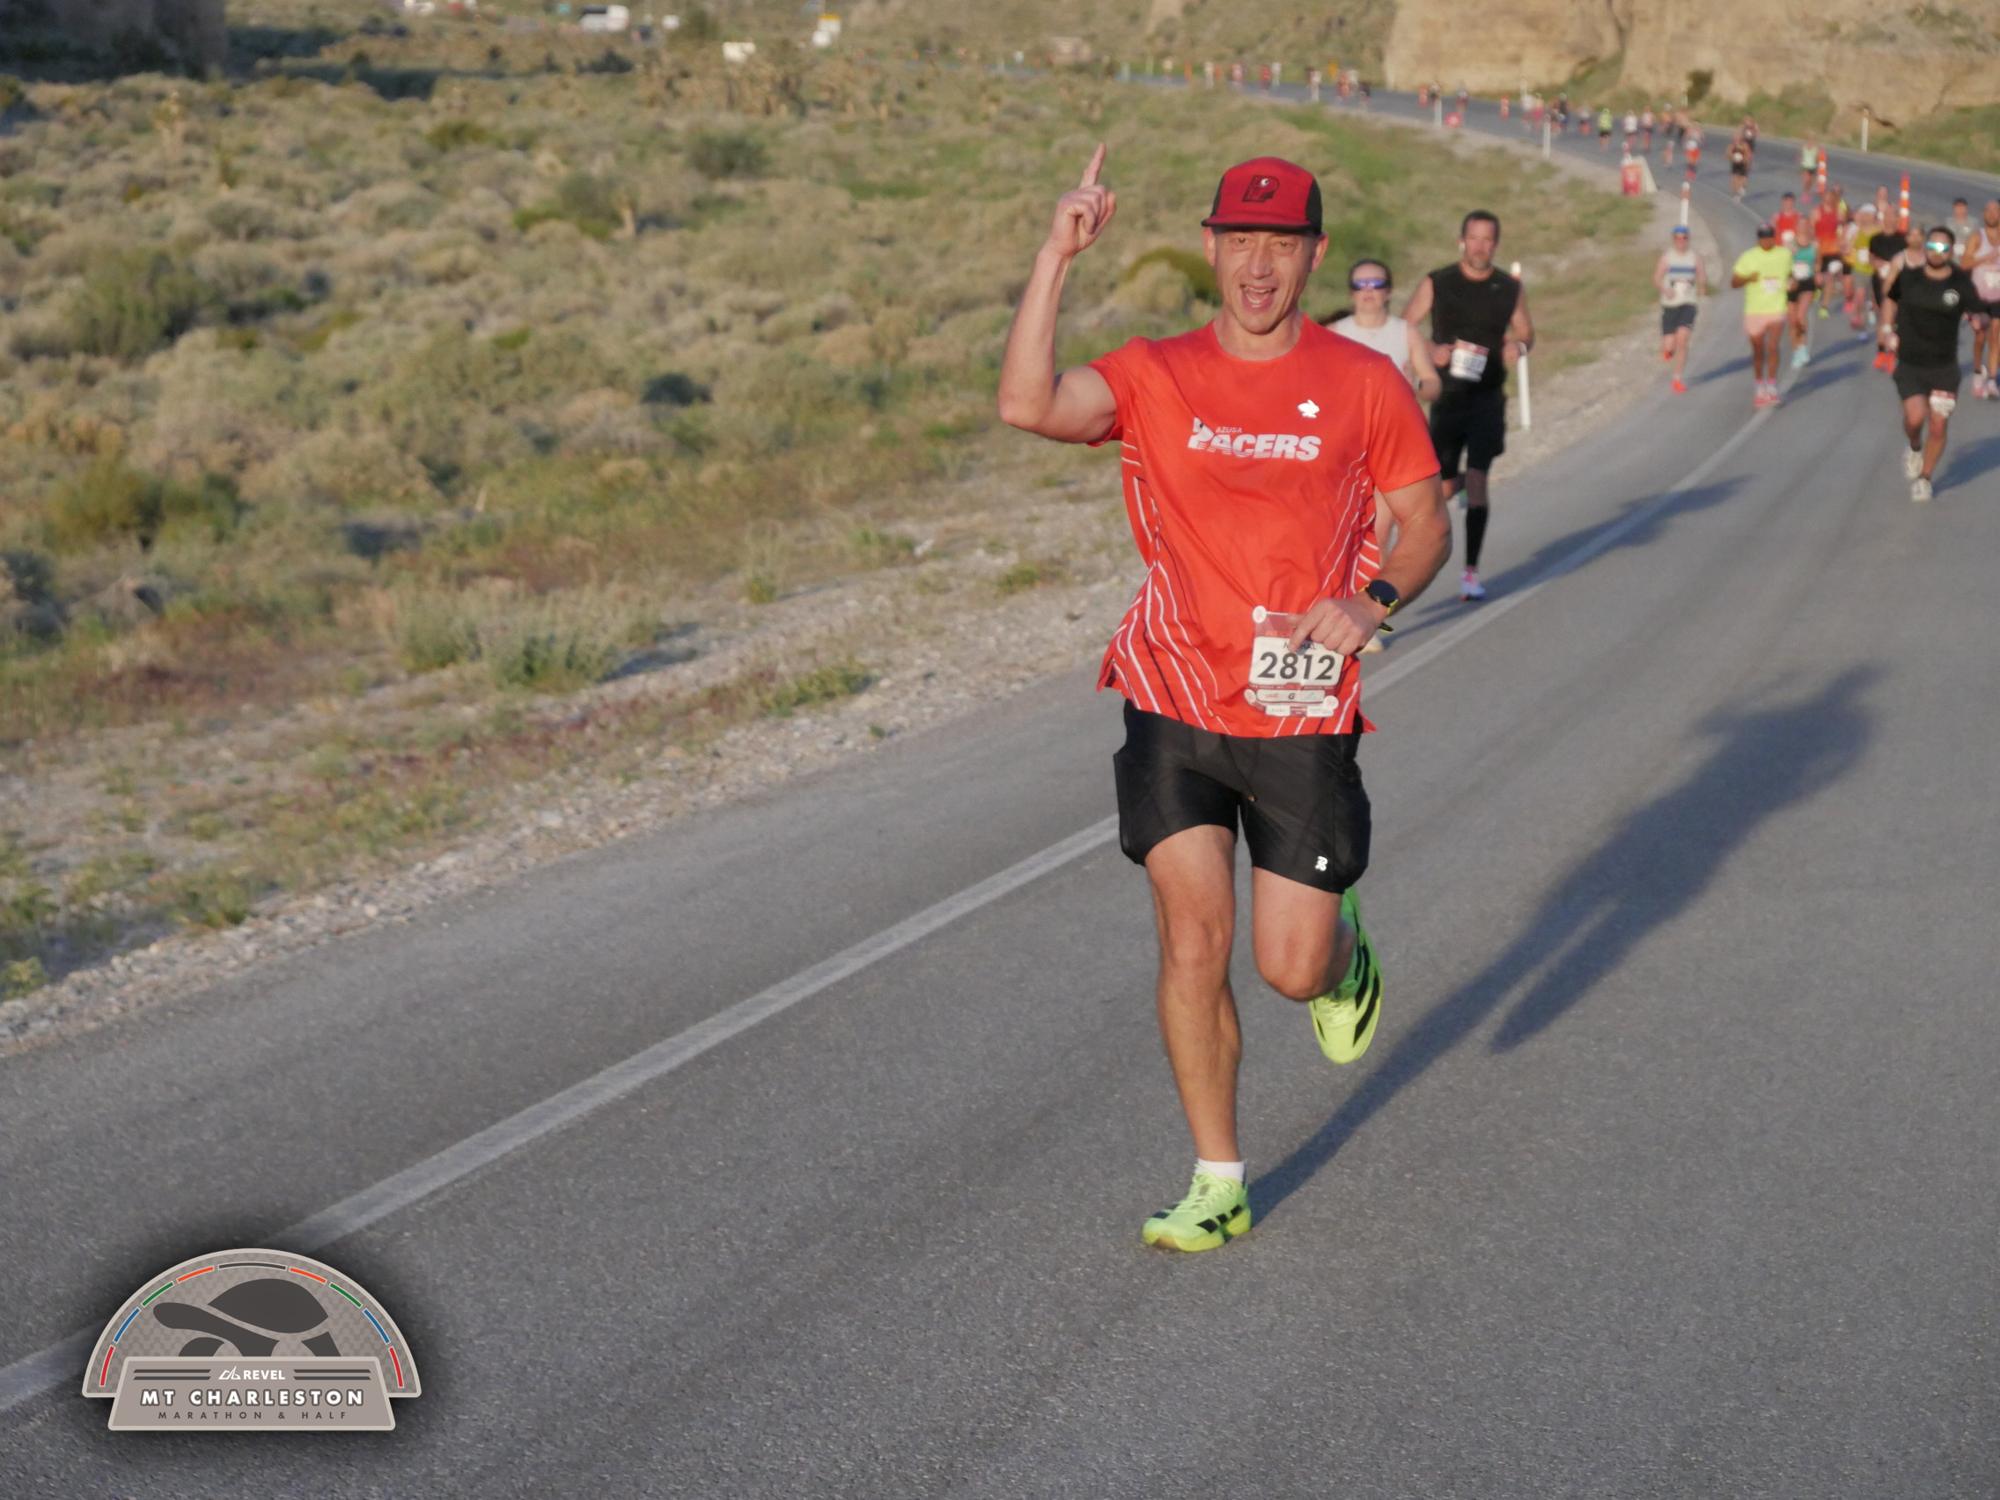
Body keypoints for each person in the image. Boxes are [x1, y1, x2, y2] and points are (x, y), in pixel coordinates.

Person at [997, 148, 1450, 1253]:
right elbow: (1026, 404)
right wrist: (1055, 255)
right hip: (1170, 692)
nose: (1257, 266)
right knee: (1192, 942)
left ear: (1314, 255)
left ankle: (1341, 954)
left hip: (1296, 707)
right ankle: (1217, 1179)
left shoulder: (1362, 382)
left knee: (1286, 967)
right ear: (1209, 247)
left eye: (1279, 245)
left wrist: (1372, 599)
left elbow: (1425, 521)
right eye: (1239, 241)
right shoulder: (1154, 371)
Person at [1402, 210, 1533, 602]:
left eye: (1487, 240)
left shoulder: (1508, 287)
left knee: (1479, 480)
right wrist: (1431, 350)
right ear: (1461, 241)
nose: (1480, 247)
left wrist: (1518, 346)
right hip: (1448, 397)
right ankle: (1454, 486)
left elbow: (1526, 331)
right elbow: (1406, 326)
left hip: (1487, 397)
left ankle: (1470, 572)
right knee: (1441, 486)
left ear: (1496, 244)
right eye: (1473, 239)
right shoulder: (1439, 282)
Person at [1327, 259, 1443, 651]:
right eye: (1360, 284)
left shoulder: (1403, 332)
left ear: (1388, 291)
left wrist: (1422, 390)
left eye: (1376, 284)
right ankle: (1331, 604)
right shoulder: (1336, 334)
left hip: (1392, 444)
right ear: (1351, 292)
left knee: (1378, 532)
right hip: (1343, 443)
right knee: (1337, 531)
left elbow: (1430, 378)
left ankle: (1368, 618)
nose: (1368, 291)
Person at [1879, 226, 1989, 501]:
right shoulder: (1910, 278)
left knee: (1938, 425)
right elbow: (1890, 300)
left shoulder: (1960, 282)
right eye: (1932, 246)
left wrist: (1979, 320)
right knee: (1915, 419)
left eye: (1942, 248)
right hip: (1911, 363)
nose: (1936, 252)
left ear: (1951, 252)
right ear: (1926, 247)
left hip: (1944, 367)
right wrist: (1886, 328)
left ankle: (1925, 478)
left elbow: (1977, 310)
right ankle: (1915, 447)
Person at [1731, 220, 1792, 407]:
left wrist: (1792, 283)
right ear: (1758, 239)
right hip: (1754, 310)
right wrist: (1748, 278)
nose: (1766, 241)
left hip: (1776, 308)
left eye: (1769, 238)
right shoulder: (1748, 257)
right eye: (1763, 238)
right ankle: (1759, 386)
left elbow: (1791, 274)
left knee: (1773, 346)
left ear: (1774, 238)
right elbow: (1734, 283)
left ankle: (1771, 387)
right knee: (1758, 351)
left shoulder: (1784, 254)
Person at [1655, 224, 1707, 392]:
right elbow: (1656, 278)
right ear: (1673, 240)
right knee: (1670, 344)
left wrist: (1702, 288)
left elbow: (1701, 275)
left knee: (1683, 340)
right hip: (1670, 304)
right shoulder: (1667, 258)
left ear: (1688, 239)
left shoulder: (1695, 257)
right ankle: (1668, 350)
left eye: (1684, 238)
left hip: (1688, 303)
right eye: (1678, 238)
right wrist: (1665, 290)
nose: (1681, 241)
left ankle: (1677, 379)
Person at [1963, 200, 2000, 399]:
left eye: (1996, 210)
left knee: (1996, 334)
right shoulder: (1977, 237)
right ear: (1984, 214)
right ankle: (1978, 372)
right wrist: (1986, 258)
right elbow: (1964, 263)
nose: (1992, 214)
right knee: (1980, 337)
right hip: (1979, 297)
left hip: (1998, 297)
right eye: (1989, 210)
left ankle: (1992, 380)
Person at [1784, 226, 1818, 368]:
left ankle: (1803, 347)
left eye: (1806, 232)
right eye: (1801, 232)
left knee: (1801, 315)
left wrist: (1818, 274)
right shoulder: (1789, 246)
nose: (1803, 236)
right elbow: (1783, 265)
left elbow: (1818, 263)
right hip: (1791, 284)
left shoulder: (1814, 246)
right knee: (1792, 322)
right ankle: (1796, 351)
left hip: (1807, 283)